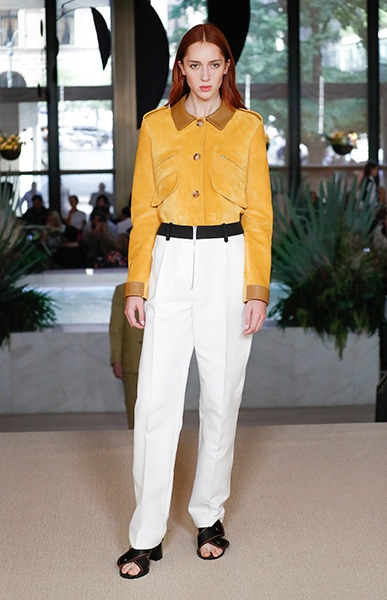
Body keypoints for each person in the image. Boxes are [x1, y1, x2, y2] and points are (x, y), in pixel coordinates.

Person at [117, 23, 273, 580]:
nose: (204, 75)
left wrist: (256, 291)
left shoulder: (249, 128)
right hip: (169, 261)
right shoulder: (156, 126)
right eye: (194, 64)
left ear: (226, 67)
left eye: (214, 64)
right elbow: (143, 213)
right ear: (180, 69)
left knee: (220, 399)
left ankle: (209, 516)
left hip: (228, 266)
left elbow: (260, 216)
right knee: (154, 404)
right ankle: (146, 534)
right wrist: (138, 285)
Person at [109, 283, 143, 429]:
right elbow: (116, 328)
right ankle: (136, 441)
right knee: (134, 409)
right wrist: (116, 359)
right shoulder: (122, 290)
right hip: (132, 360)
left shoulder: (167, 286)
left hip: (163, 361)